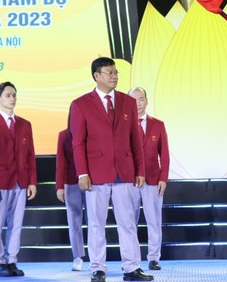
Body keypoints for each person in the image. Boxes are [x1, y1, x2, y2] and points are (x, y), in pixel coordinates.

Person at [69, 57, 153, 282]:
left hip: (125, 172)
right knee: (96, 223)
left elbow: (136, 140)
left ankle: (131, 268)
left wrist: (140, 170)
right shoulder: (81, 104)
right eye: (109, 72)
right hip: (95, 175)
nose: (115, 76)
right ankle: (98, 268)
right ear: (97, 75)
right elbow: (78, 142)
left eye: (116, 72)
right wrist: (82, 173)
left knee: (127, 222)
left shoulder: (127, 102)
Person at [0, 82, 37, 277]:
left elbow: (30, 154)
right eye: (7, 95)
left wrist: (32, 181)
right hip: (0, 182)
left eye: (14, 95)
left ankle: (12, 260)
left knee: (16, 224)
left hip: (20, 182)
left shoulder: (24, 124)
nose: (11, 98)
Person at [128, 87, 169, 272]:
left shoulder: (158, 125)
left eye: (141, 99)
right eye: (134, 100)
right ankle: (132, 260)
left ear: (147, 101)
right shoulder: (122, 125)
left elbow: (165, 154)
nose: (137, 103)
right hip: (129, 180)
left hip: (153, 180)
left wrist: (163, 178)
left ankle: (153, 258)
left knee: (154, 221)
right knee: (129, 222)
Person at [56, 122, 86, 272]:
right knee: (74, 221)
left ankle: (97, 257)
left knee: (95, 221)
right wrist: (59, 186)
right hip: (71, 183)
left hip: (91, 182)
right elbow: (60, 162)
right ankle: (78, 257)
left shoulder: (90, 132)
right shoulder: (64, 135)